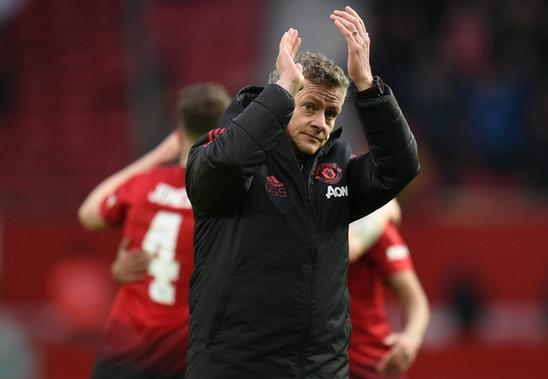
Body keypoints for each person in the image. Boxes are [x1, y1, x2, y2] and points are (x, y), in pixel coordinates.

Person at [185, 6, 420, 378]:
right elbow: (226, 167)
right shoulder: (223, 149)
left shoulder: (339, 169)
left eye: (331, 113)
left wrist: (367, 85)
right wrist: (280, 91)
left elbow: (401, 167)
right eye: (309, 106)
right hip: (234, 366)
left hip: (319, 369)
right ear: (281, 100)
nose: (320, 123)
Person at [77, 83, 230, 379]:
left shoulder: (144, 185)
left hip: (124, 351)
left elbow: (89, 214)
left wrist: (159, 154)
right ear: (224, 130)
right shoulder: (228, 198)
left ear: (178, 127)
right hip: (186, 356)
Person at [348, 200, 429, 379]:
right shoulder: (377, 218)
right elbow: (350, 247)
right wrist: (385, 209)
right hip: (314, 361)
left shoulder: (377, 228)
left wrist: (411, 340)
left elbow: (414, 297)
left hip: (370, 363)